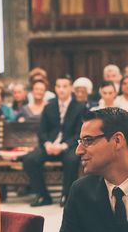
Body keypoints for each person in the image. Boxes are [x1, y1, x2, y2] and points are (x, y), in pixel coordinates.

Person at [22, 75, 85, 207]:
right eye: (58, 86)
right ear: (55, 89)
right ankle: (43, 195)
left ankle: (66, 195)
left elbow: (79, 133)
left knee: (72, 160)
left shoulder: (79, 107)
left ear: (71, 88)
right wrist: (47, 144)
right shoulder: (49, 106)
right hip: (50, 145)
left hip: (69, 145)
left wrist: (64, 145)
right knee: (29, 160)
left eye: (65, 86)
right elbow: (42, 131)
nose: (61, 89)